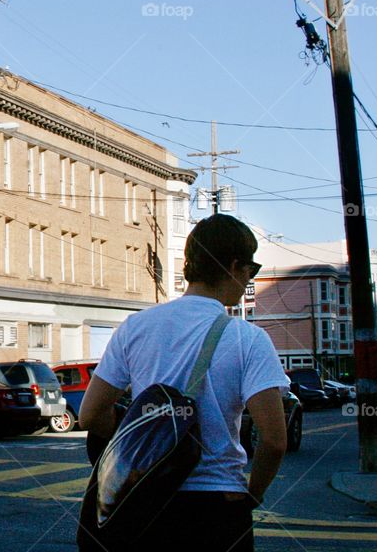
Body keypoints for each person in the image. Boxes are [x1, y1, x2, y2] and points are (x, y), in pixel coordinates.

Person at [78, 214, 289, 552]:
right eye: (252, 270)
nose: (249, 279)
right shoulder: (248, 339)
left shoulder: (135, 327)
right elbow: (275, 440)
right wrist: (254, 492)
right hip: (217, 503)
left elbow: (90, 415)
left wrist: (143, 439)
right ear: (235, 266)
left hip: (144, 500)